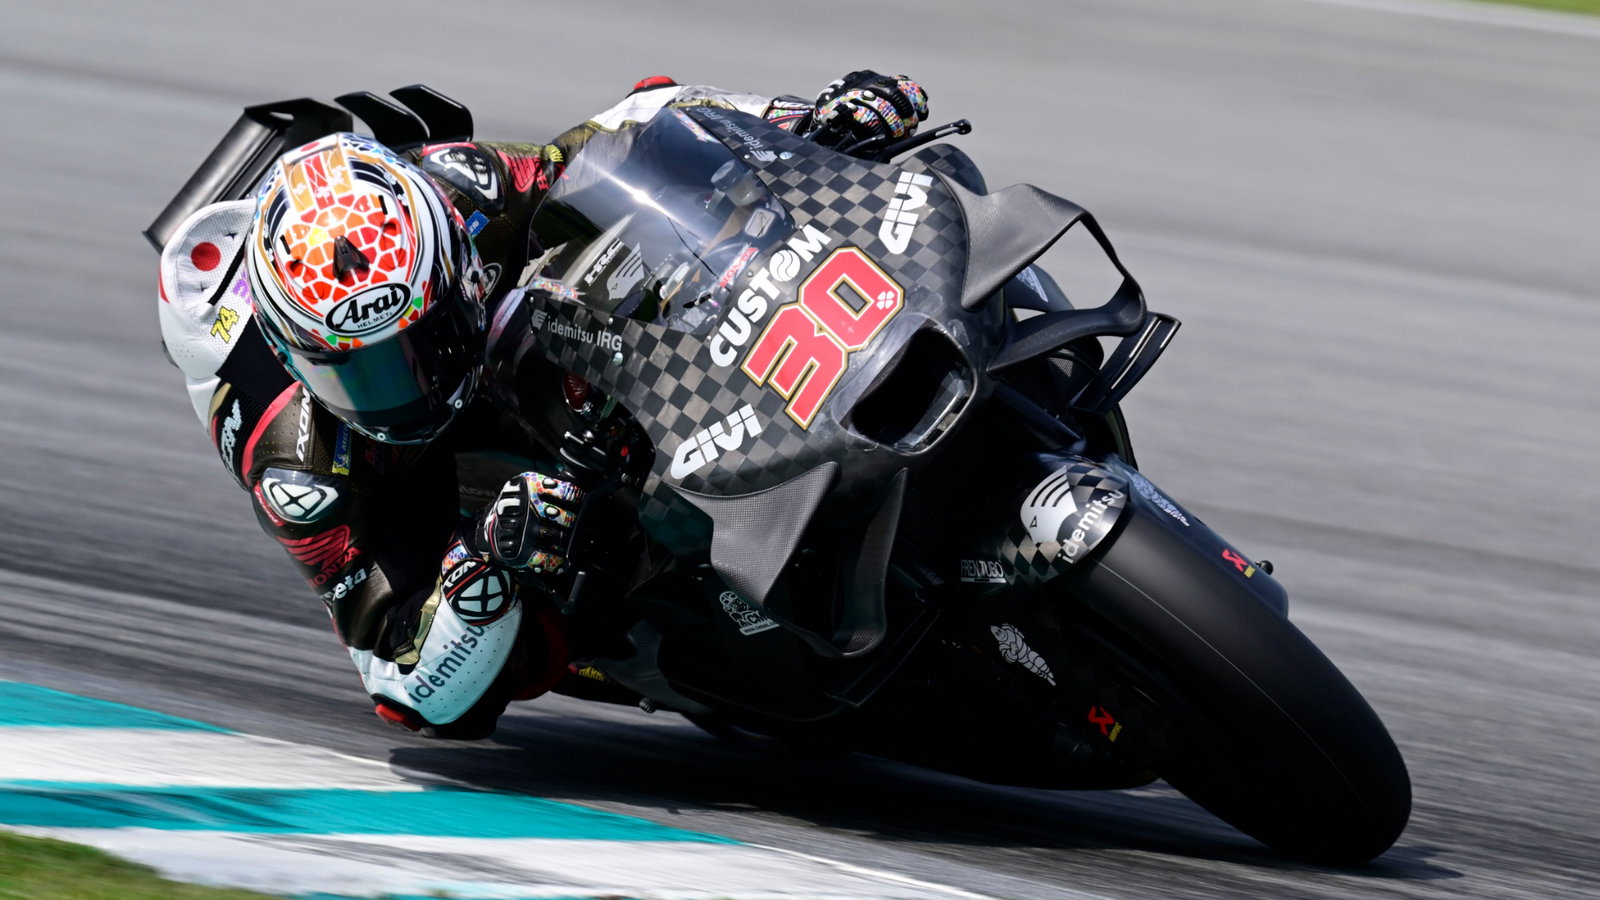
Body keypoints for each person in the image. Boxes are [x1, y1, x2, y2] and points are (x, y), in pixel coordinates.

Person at [156, 72, 930, 739]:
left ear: (454, 268)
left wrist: (802, 122)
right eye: (366, 374)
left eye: (419, 346)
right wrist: (486, 562)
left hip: (564, 363)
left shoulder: (468, 192)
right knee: (569, 606)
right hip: (456, 506)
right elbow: (402, 687)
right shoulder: (300, 467)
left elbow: (637, 127)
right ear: (299, 358)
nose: (409, 386)